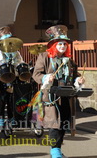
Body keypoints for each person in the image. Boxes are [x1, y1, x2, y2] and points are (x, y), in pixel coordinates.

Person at [32, 25, 85, 158]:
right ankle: (54, 151)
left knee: (63, 124)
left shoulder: (69, 61)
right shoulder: (44, 57)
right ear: (54, 45)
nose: (63, 46)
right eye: (60, 43)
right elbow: (36, 74)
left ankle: (58, 149)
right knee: (54, 125)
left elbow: (74, 76)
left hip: (67, 97)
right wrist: (46, 77)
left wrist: (78, 80)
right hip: (51, 97)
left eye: (65, 44)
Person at [0, 26, 23, 132]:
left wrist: (21, 69)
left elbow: (20, 63)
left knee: (12, 100)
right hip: (2, 80)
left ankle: (12, 120)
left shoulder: (16, 52)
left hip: (13, 80)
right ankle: (0, 121)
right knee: (1, 101)